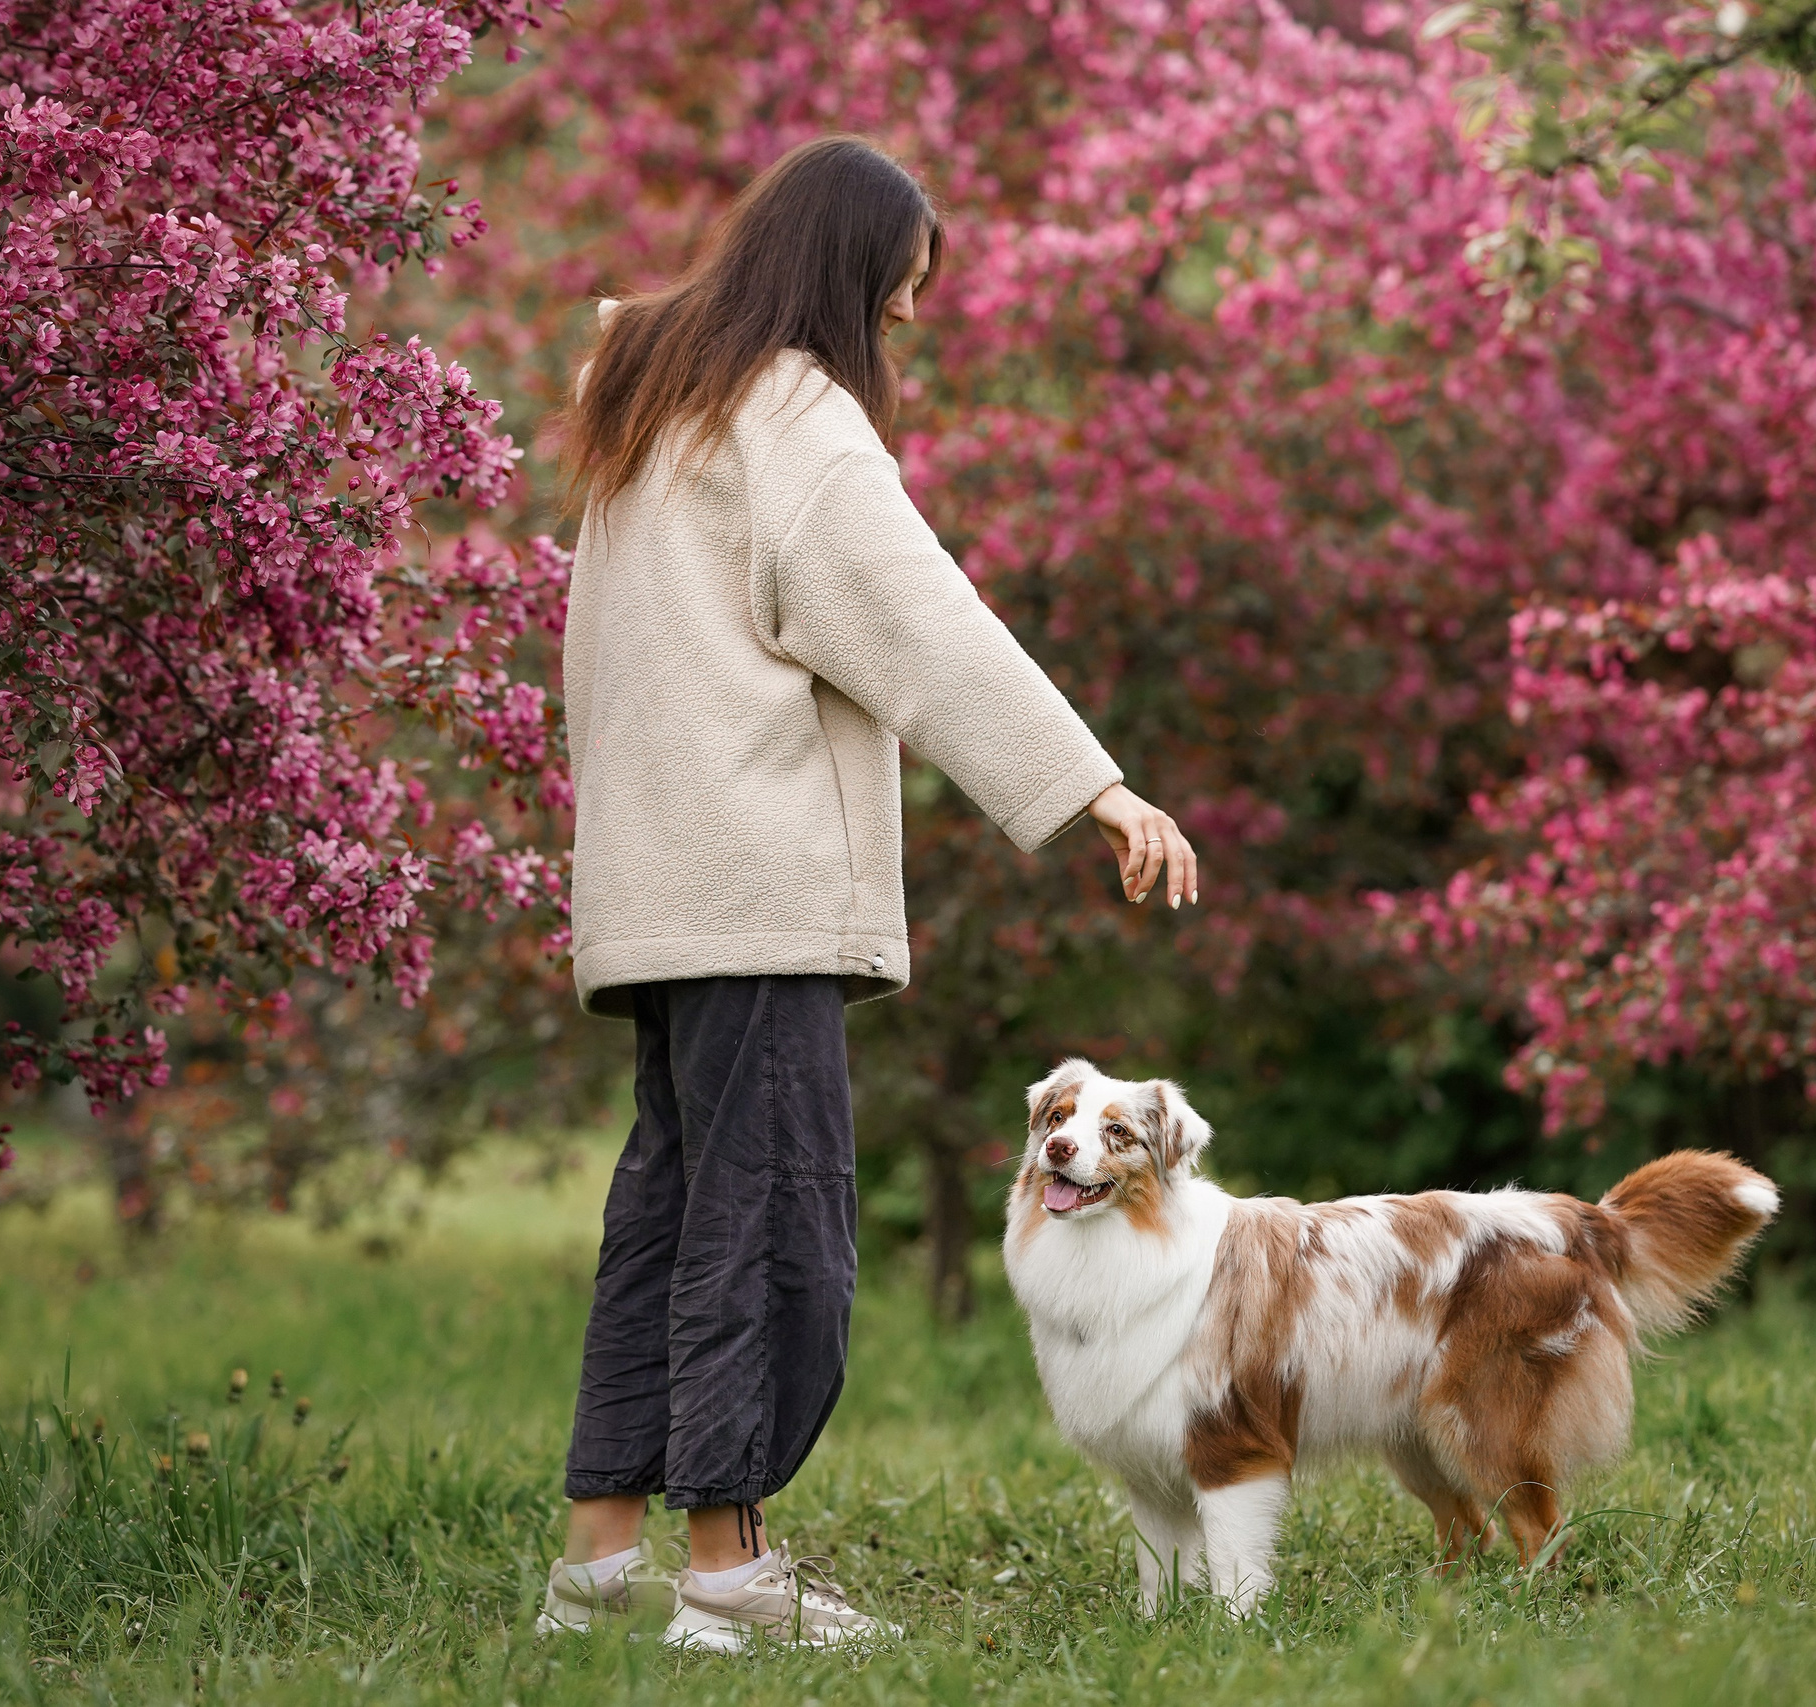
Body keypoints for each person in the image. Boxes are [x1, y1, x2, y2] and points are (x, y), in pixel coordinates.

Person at [533, 134, 1199, 1653]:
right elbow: (924, 626)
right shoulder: (788, 416)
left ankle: (595, 1569)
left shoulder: (652, 408)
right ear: (846, 273)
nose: (905, 326)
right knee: (771, 1233)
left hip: (658, 893)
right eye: (900, 295)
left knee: (666, 1218)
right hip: (756, 892)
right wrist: (1094, 785)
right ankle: (725, 1580)